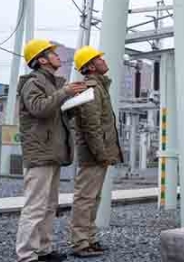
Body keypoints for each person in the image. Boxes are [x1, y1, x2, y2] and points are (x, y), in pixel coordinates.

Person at [15, 39, 87, 262]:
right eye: (52, 54)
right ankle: (26, 255)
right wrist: (64, 92)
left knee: (48, 206)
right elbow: (39, 108)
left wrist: (74, 104)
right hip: (40, 152)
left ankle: (43, 250)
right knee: (35, 206)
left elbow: (56, 114)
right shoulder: (32, 83)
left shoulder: (52, 84)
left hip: (52, 151)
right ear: (41, 60)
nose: (58, 56)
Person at [68, 46, 123, 257]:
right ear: (91, 66)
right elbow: (91, 126)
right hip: (94, 154)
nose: (103, 60)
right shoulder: (90, 88)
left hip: (98, 153)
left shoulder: (99, 87)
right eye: (99, 58)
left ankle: (89, 239)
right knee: (85, 198)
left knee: (93, 198)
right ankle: (80, 243)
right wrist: (101, 154)